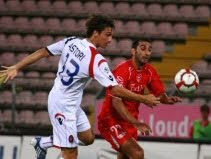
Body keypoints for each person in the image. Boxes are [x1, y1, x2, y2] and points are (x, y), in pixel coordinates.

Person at [0, 16, 160, 159]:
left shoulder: (72, 41)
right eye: (108, 34)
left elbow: (43, 51)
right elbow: (115, 89)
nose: (110, 39)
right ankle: (58, 147)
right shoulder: (96, 60)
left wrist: (17, 66)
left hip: (70, 103)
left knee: (88, 138)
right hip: (62, 105)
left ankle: (44, 142)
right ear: (96, 33)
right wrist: (144, 98)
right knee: (71, 154)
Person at [98, 40, 182, 159]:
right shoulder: (123, 70)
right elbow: (116, 102)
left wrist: (167, 100)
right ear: (133, 51)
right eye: (143, 48)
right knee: (138, 153)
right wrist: (136, 123)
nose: (147, 53)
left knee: (125, 157)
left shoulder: (150, 71)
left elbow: (159, 94)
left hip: (129, 121)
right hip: (111, 119)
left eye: (149, 49)